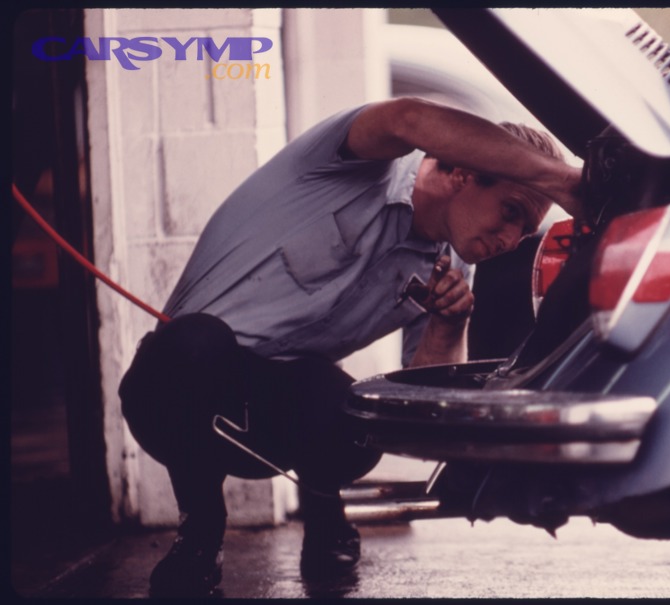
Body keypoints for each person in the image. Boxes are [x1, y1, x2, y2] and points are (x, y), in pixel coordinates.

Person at [118, 97, 583, 596]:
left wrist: (448, 325)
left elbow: (420, 414)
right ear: (463, 174)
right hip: (181, 392)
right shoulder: (350, 164)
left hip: (275, 417)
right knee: (193, 342)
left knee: (342, 402)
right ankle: (199, 536)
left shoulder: (450, 269)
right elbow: (409, 117)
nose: (512, 239)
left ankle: (325, 513)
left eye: (525, 229)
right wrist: (566, 180)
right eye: (510, 212)